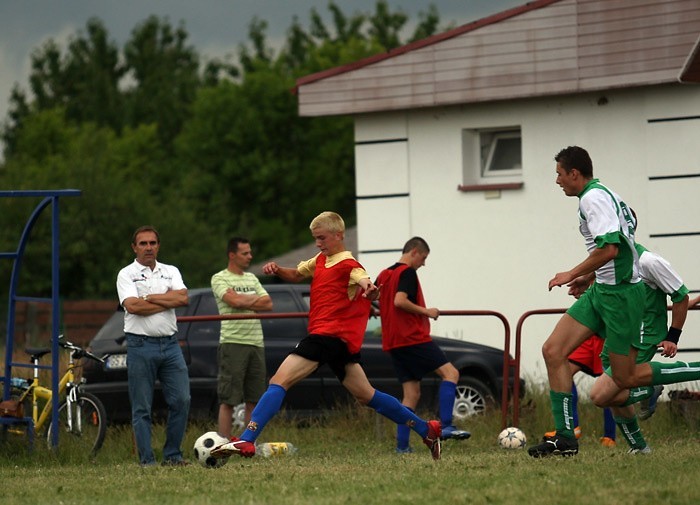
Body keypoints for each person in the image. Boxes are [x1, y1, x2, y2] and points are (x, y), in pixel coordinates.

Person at [211, 211, 443, 460]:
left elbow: (364, 281)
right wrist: (278, 269)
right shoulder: (320, 260)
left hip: (326, 337)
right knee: (367, 395)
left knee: (279, 381)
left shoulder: (349, 265)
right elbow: (297, 275)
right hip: (338, 344)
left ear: (338, 235)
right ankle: (426, 429)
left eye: (321, 238)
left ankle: (247, 439)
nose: (318, 243)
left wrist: (371, 291)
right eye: (315, 239)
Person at [528, 146, 700, 458]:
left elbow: (610, 250)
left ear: (574, 174)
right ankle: (565, 439)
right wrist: (589, 279)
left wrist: (571, 273)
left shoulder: (593, 197)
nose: (557, 181)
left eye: (559, 174)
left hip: (621, 296)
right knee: (553, 351)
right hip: (602, 292)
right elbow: (615, 248)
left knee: (625, 380)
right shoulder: (600, 193)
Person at [375, 236, 470, 453]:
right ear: (414, 251)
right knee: (451, 373)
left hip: (393, 342)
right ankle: (446, 426)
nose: (423, 263)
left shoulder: (384, 274)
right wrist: (427, 311)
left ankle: (402, 447)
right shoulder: (406, 272)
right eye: (424, 258)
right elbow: (399, 301)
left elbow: (376, 299)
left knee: (411, 395)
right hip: (412, 338)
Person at [116, 225, 191, 466]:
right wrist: (167, 301)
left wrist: (149, 297)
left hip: (170, 345)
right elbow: (133, 306)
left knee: (182, 400)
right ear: (134, 247)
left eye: (152, 243)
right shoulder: (126, 274)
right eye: (143, 244)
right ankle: (147, 460)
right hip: (140, 345)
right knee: (142, 407)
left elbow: (183, 298)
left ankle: (172, 455)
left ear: (158, 246)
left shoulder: (171, 271)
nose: (148, 248)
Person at [211, 237, 273, 439]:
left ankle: (248, 443)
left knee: (255, 399)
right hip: (233, 342)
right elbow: (233, 301)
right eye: (245, 253)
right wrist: (253, 300)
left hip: (256, 342)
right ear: (232, 255)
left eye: (250, 252)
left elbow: (268, 304)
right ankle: (223, 444)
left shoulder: (252, 278)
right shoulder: (219, 278)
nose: (250, 256)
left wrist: (241, 300)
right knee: (228, 399)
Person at [543, 335, 617, 447]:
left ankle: (609, 436)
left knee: (609, 382)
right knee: (563, 370)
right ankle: (572, 427)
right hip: (588, 336)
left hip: (608, 335)